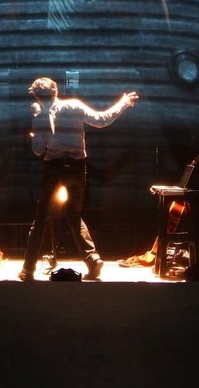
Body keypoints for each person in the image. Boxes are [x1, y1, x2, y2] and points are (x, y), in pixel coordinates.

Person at [20, 77, 139, 281]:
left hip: (53, 168)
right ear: (56, 91)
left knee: (41, 219)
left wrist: (36, 124)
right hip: (77, 167)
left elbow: (38, 150)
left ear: (36, 96)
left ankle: (28, 270)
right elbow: (101, 120)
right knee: (74, 215)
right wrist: (123, 103)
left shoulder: (39, 114)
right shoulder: (74, 105)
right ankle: (93, 259)